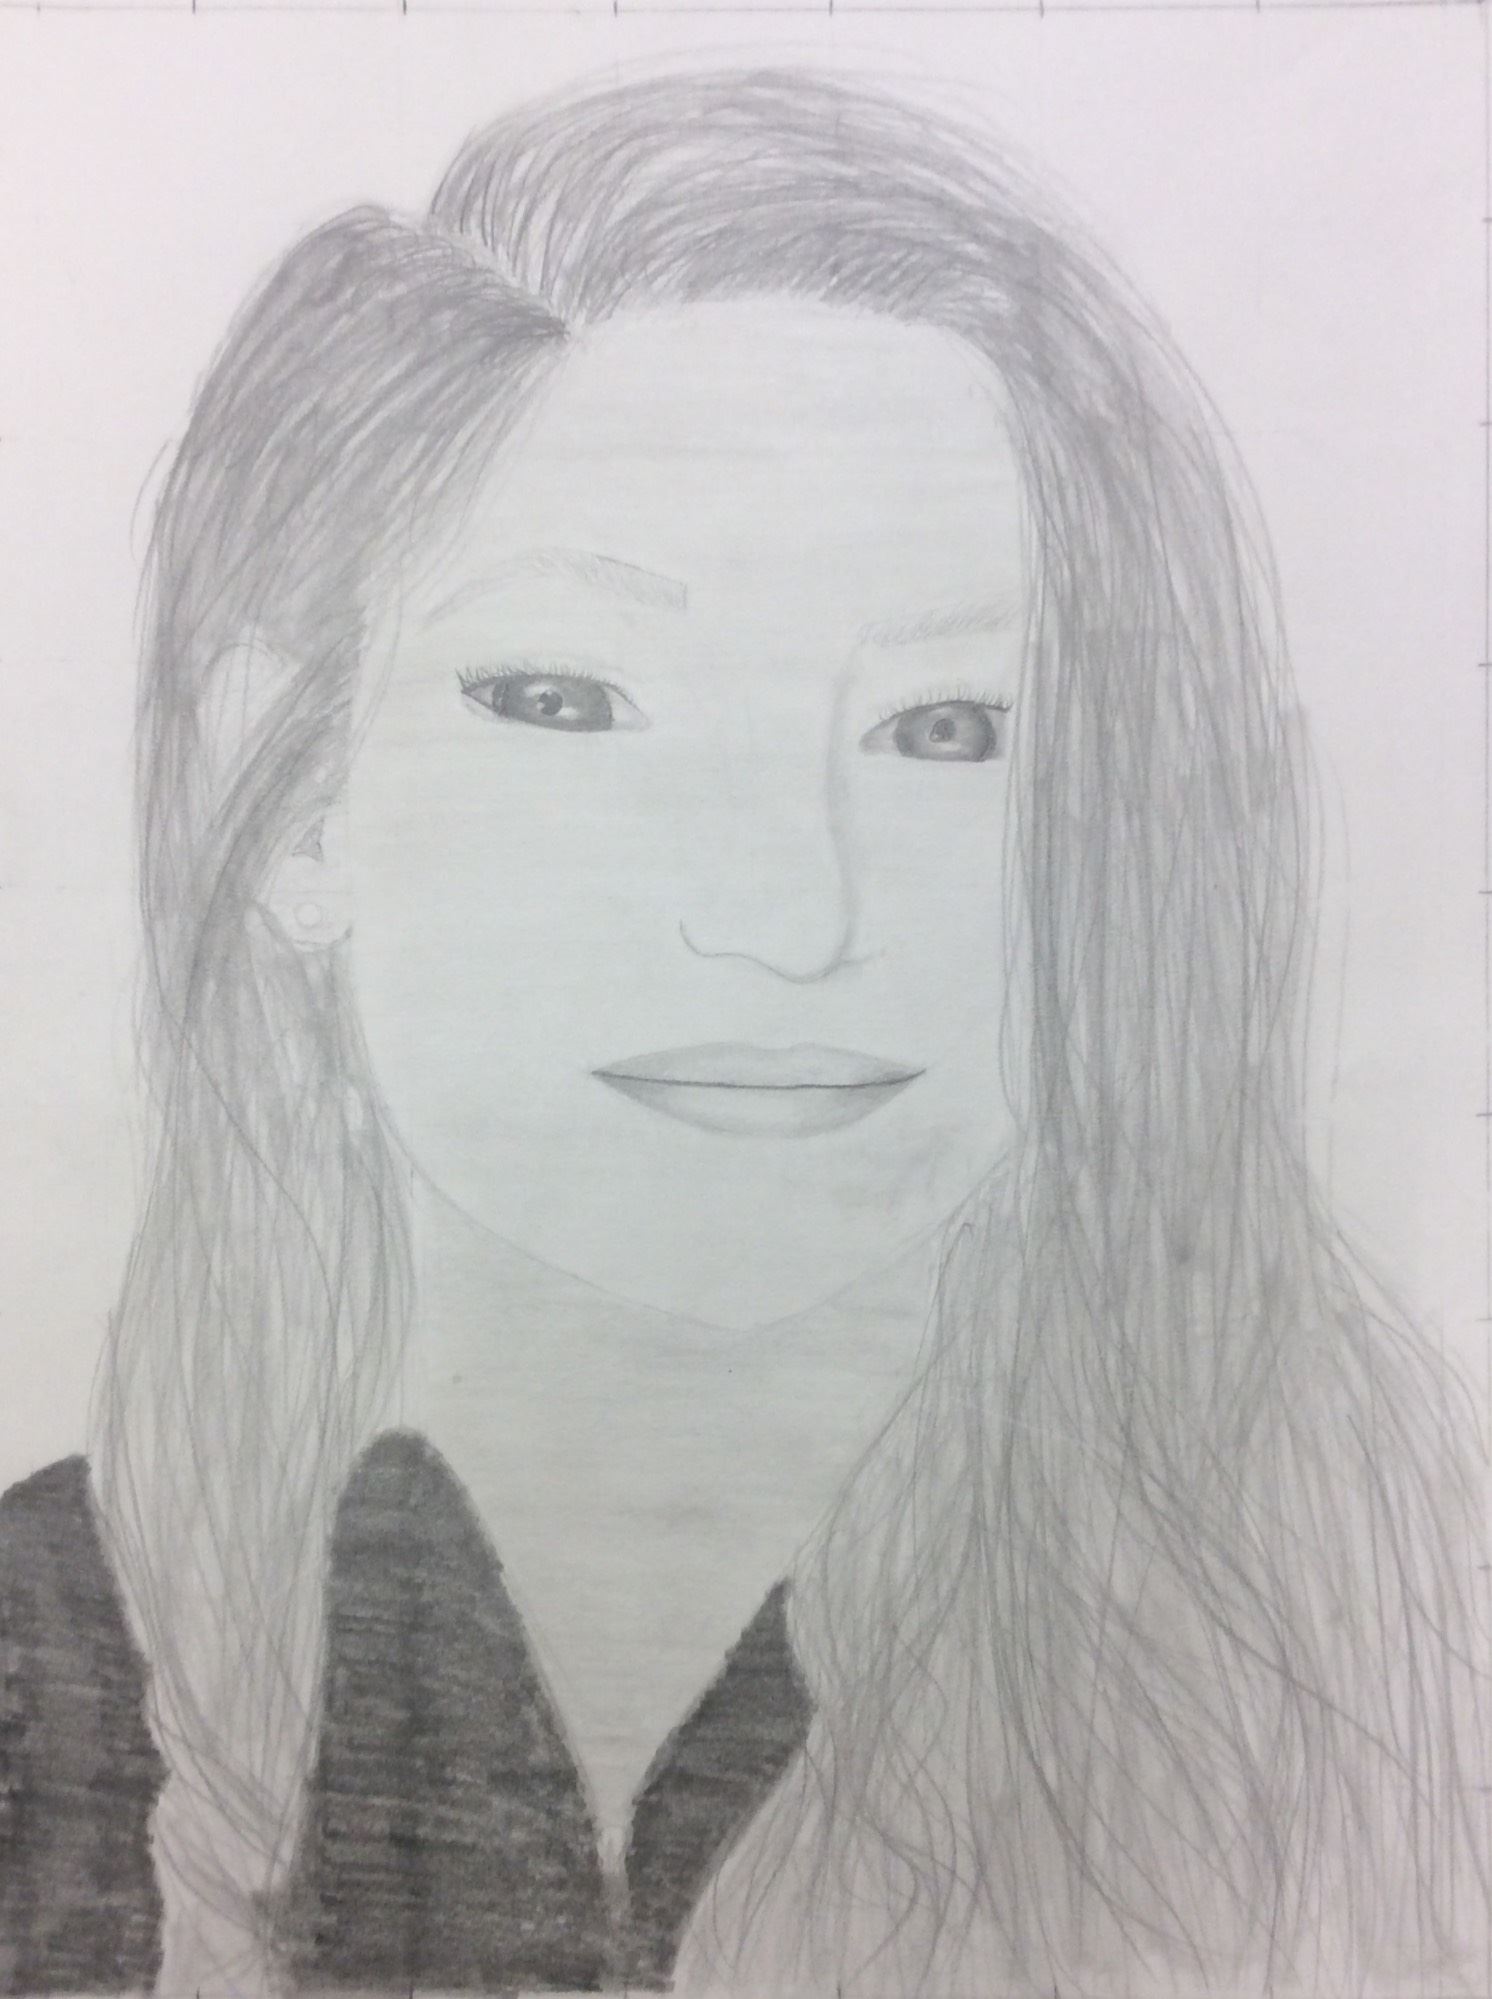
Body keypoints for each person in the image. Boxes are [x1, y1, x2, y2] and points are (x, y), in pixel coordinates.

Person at [1, 63, 1485, 1999]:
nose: (790, 918)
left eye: (945, 729)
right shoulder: (58, 1667)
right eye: (568, 699)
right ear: (283, 798)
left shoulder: (1370, 1672)